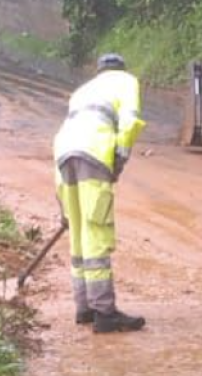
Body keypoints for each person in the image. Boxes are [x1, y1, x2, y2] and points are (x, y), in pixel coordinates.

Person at [52, 53, 147, 333]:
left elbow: (67, 131)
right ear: (121, 69)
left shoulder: (83, 90)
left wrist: (62, 206)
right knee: (96, 230)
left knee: (79, 230)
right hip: (93, 154)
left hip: (62, 156)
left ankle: (84, 308)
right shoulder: (127, 82)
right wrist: (119, 160)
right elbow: (129, 124)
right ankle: (105, 313)